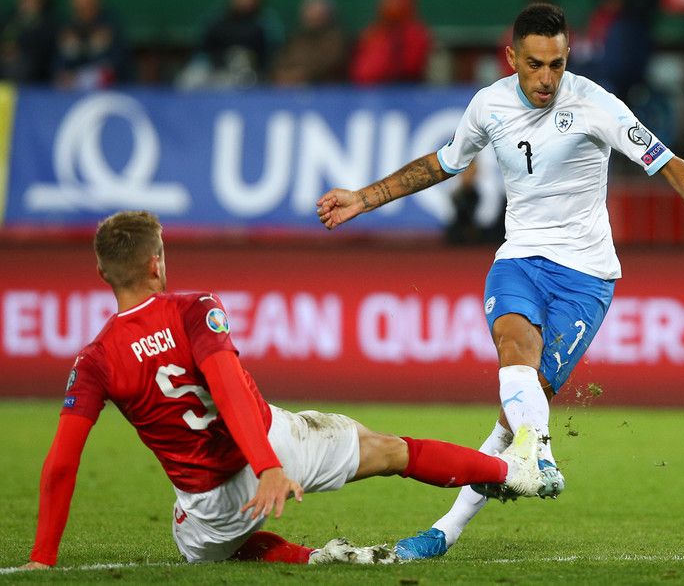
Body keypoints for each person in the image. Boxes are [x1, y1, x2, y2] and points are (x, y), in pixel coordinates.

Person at [316, 3, 684, 560]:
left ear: (567, 56)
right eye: (534, 65)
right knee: (513, 349)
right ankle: (541, 455)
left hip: (587, 276)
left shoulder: (597, 104)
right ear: (512, 58)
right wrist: (364, 198)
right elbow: (443, 164)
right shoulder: (489, 105)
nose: (547, 78)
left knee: (515, 414)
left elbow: (666, 161)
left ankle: (444, 531)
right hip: (520, 259)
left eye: (557, 64)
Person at [19, 210, 545, 570]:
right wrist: (268, 465)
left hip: (209, 509)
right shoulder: (194, 309)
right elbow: (227, 386)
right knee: (392, 451)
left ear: (102, 272)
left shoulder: (93, 360)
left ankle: (313, 559)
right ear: (156, 262)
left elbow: (62, 462)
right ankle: (514, 472)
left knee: (201, 548)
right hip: (275, 447)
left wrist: (43, 558)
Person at [178, 0, 281, 89]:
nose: (245, 0)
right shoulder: (217, 19)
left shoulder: (264, 24)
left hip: (246, 75)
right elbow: (202, 50)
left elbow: (269, 56)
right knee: (190, 78)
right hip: (213, 69)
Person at [349, 0, 432, 85]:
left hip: (398, 90)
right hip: (361, 90)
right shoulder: (373, 32)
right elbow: (360, 69)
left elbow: (409, 68)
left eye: (398, 0)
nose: (392, 4)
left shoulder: (415, 34)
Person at [53, 0, 128, 89]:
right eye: (80, 8)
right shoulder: (68, 27)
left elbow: (117, 62)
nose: (85, 11)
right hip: (73, 84)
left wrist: (95, 50)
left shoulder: (109, 24)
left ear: (97, 4)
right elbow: (59, 64)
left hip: (111, 87)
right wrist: (71, 51)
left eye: (89, 5)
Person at [272, 0, 348, 86]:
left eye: (317, 14)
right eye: (309, 12)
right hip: (287, 88)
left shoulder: (335, 40)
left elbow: (327, 65)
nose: (312, 17)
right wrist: (283, 74)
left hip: (323, 89)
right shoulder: (297, 39)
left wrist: (298, 75)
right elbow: (282, 60)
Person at [0, 0, 57, 83]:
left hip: (34, 75)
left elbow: (43, 52)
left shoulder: (49, 22)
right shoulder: (9, 18)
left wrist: (19, 51)